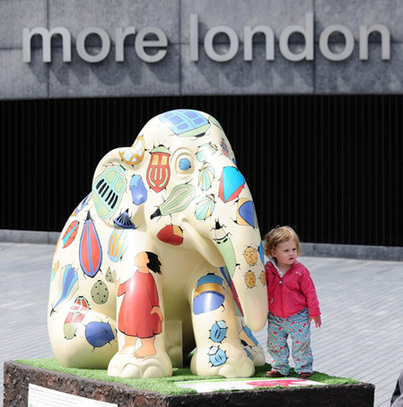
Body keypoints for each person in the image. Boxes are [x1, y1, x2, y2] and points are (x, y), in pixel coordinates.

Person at [264, 226, 321, 379]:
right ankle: (279, 367)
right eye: (286, 250)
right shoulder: (268, 270)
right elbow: (262, 289)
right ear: (273, 253)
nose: (291, 253)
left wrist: (314, 312)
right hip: (275, 317)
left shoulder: (300, 271)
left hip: (298, 316)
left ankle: (304, 367)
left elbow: (310, 292)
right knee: (275, 343)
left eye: (293, 249)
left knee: (301, 342)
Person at [116, 251, 163, 358]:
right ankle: (129, 345)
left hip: (145, 311)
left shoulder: (149, 277)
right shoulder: (136, 274)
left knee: (145, 329)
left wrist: (156, 307)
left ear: (147, 261)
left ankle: (148, 347)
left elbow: (153, 293)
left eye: (138, 256)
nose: (135, 257)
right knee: (131, 328)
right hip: (133, 309)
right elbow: (127, 286)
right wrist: (119, 287)